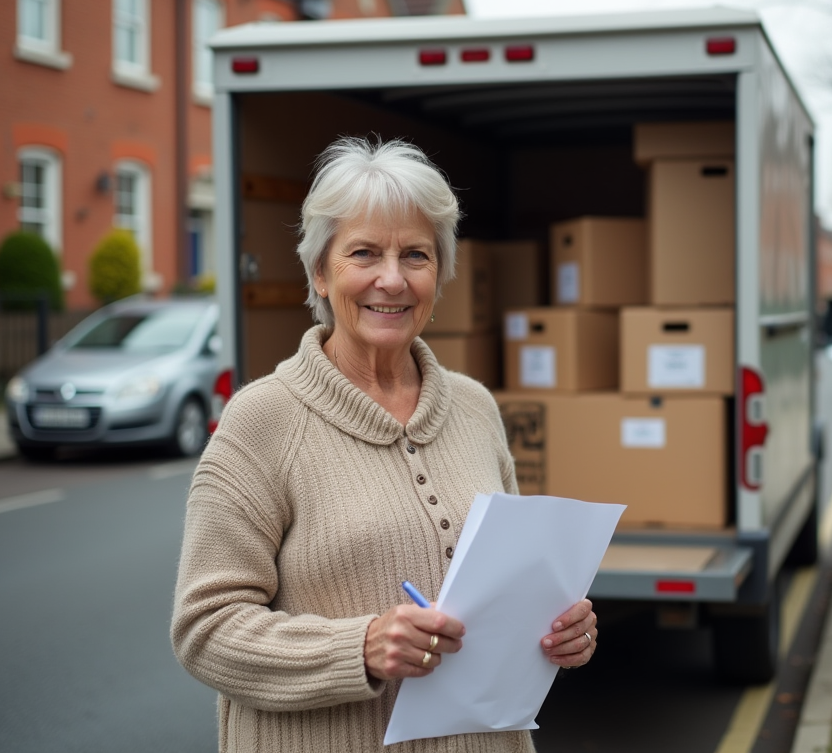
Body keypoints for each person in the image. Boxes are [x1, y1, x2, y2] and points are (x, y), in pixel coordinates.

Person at [171, 137, 597, 753]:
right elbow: (203, 630)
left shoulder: (475, 408)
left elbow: (514, 588)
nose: (391, 279)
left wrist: (562, 631)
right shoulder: (262, 420)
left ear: (440, 273)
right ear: (321, 270)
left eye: (416, 255)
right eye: (364, 253)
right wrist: (361, 647)